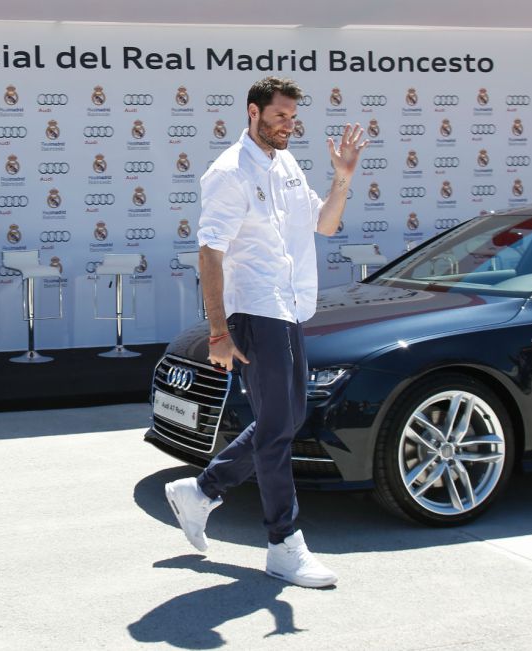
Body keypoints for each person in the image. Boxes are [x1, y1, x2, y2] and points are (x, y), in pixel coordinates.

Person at [164, 77, 367, 588]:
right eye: (279, 116)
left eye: (292, 117)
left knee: (289, 416)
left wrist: (343, 178)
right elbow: (209, 252)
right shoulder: (229, 173)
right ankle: (284, 544)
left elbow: (324, 225)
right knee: (277, 430)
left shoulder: (289, 164)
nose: (287, 125)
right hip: (254, 310)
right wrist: (217, 332)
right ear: (252, 112)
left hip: (291, 305)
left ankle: (202, 490)